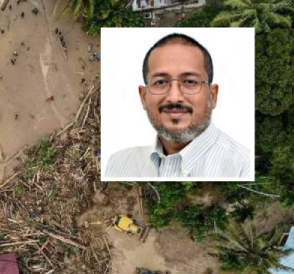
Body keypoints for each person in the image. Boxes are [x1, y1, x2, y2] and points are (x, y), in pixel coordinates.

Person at [105, 33, 251, 179]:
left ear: (212, 96)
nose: (174, 97)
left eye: (190, 82)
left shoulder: (244, 167)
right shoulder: (118, 163)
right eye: (160, 82)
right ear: (143, 97)